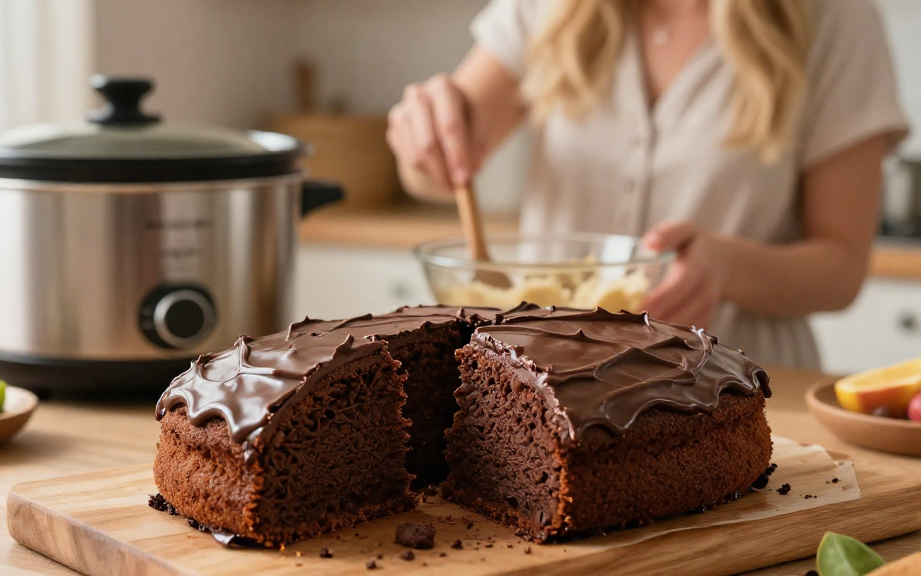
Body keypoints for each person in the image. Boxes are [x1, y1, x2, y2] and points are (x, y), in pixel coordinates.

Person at [386, 0, 909, 368]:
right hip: (543, 382)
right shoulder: (546, 8)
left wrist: (725, 267)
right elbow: (431, 175)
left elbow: (841, 269)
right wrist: (424, 136)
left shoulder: (836, 19)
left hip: (735, 378)